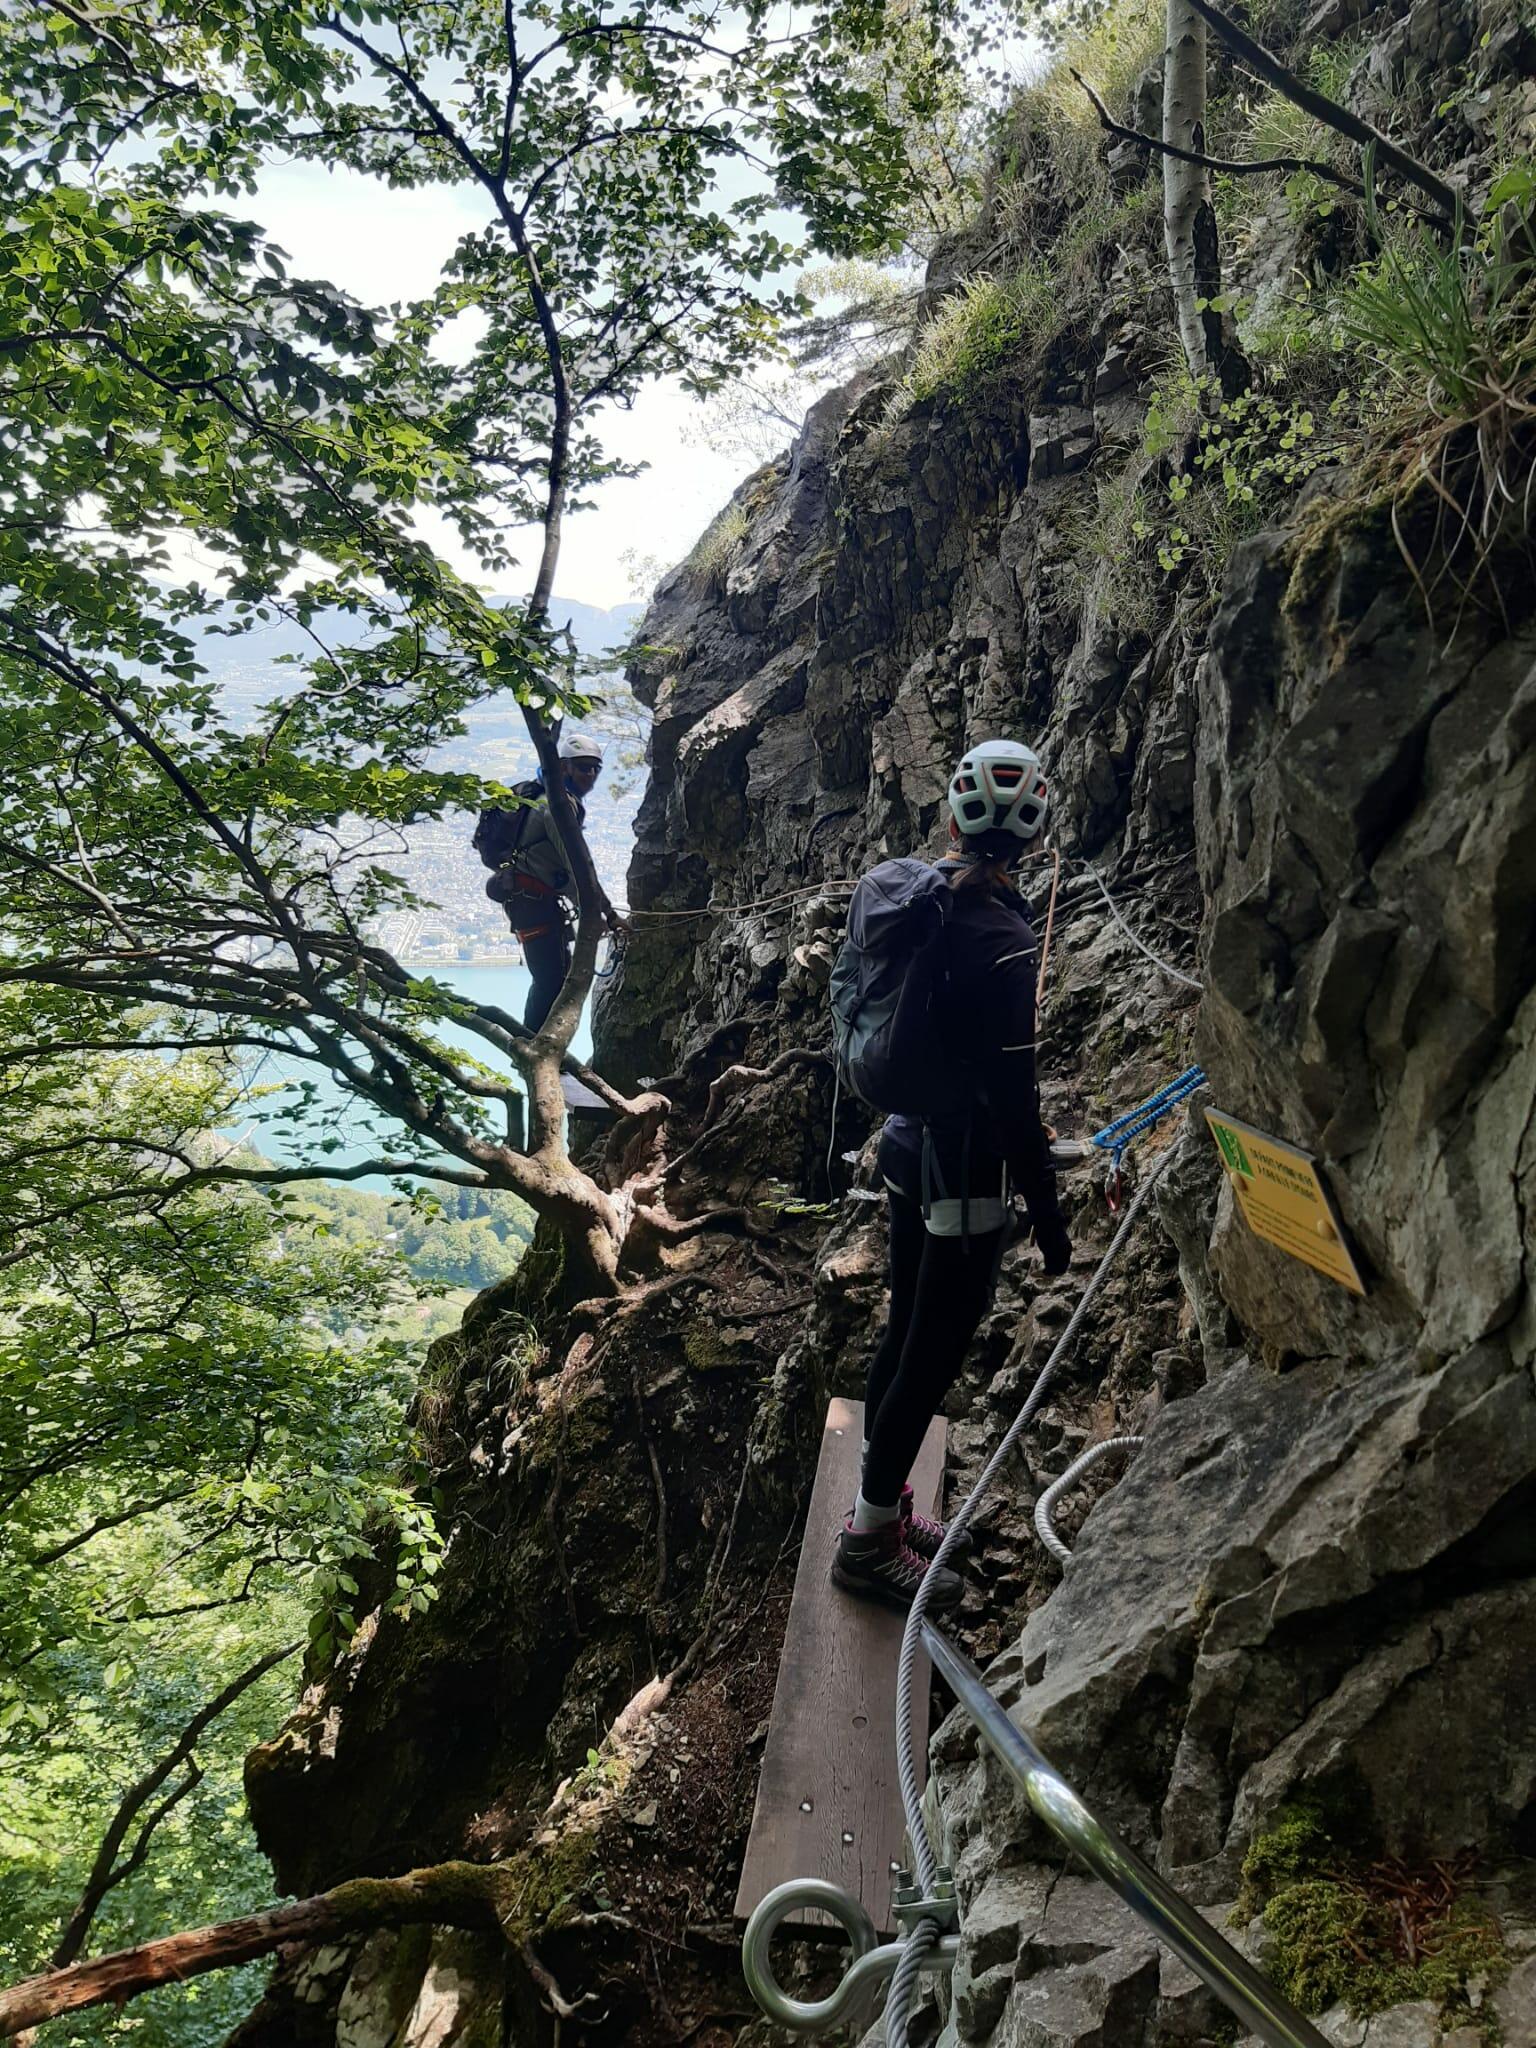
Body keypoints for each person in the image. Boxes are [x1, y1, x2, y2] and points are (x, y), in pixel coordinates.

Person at [833, 738, 1073, 1612]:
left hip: (905, 1145)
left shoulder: (916, 896)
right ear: (1035, 834)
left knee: (905, 1330)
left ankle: (885, 1502)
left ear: (950, 821)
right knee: (931, 1356)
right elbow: (1013, 1094)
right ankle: (867, 1544)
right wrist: (1047, 1214)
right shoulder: (1002, 936)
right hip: (963, 1169)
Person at [473, 732, 626, 1032]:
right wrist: (606, 914)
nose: (591, 775)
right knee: (550, 980)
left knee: (554, 977)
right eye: (583, 767)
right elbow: (578, 868)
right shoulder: (555, 807)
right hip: (533, 904)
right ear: (564, 767)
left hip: (532, 902)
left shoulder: (549, 800)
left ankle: (534, 1042)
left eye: (596, 768)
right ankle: (531, 1044)